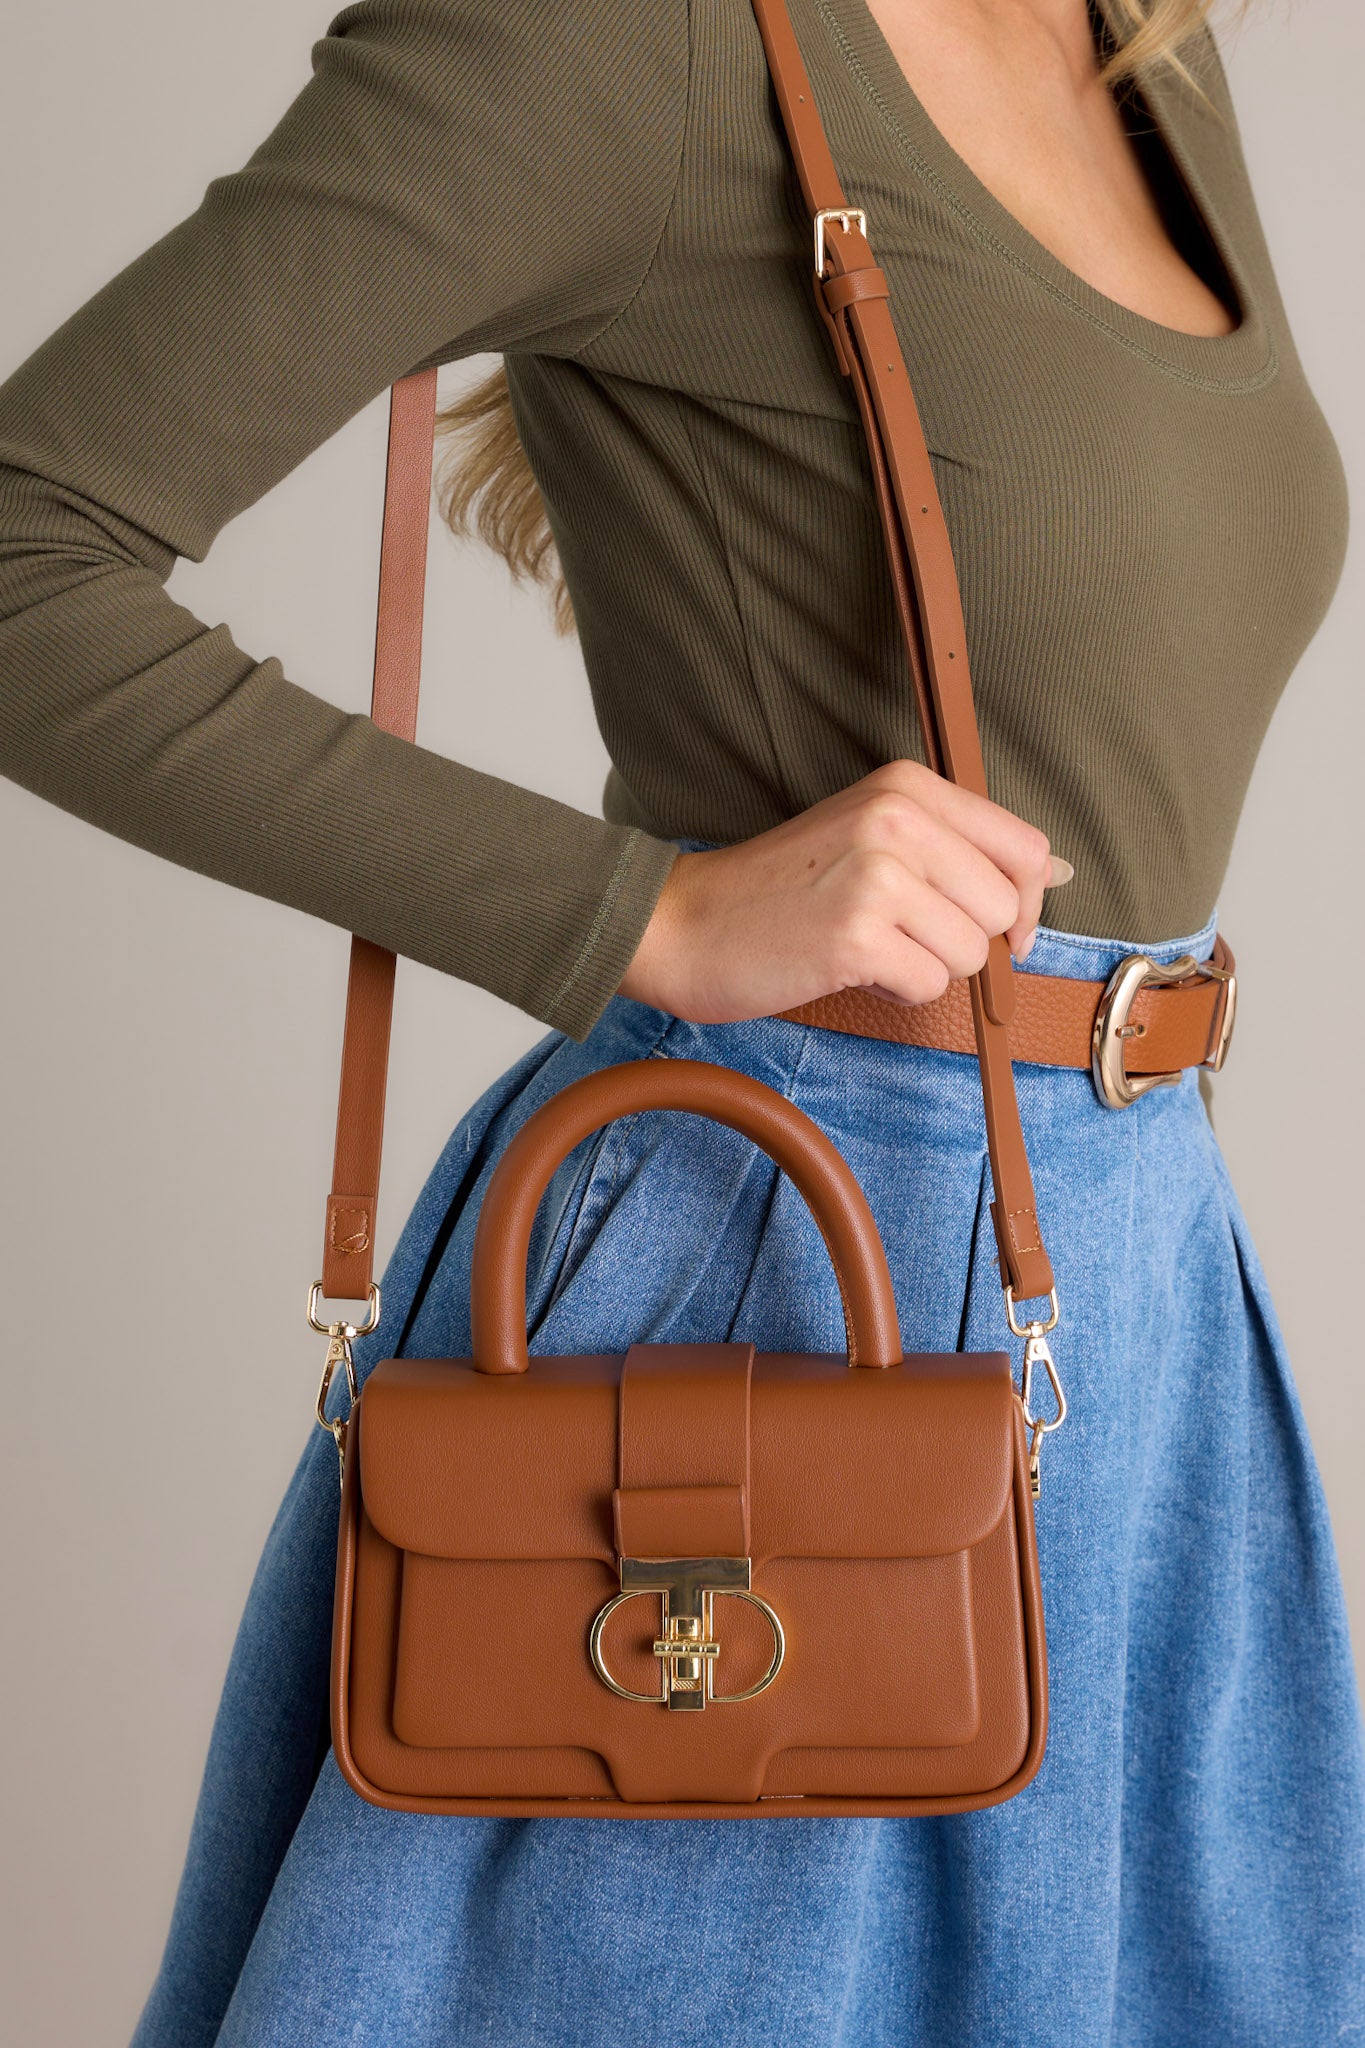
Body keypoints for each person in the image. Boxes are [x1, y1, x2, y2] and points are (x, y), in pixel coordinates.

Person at [0, 0, 1361, 2041]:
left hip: (1130, 1273)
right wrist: (644, 910)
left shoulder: (1130, 29)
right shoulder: (608, 36)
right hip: (777, 1277)